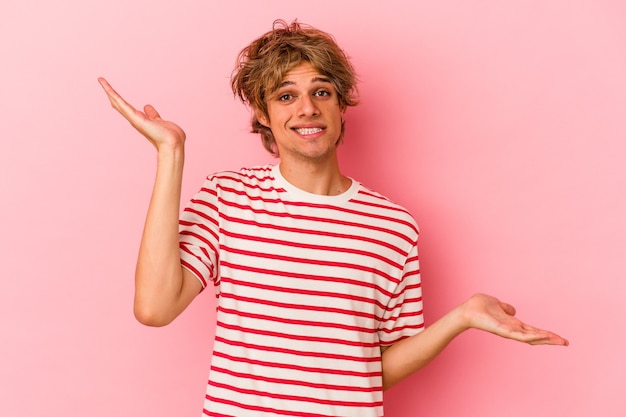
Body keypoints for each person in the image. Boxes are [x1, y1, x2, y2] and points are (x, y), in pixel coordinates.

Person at [98, 20, 568, 417]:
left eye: (321, 91)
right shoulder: (227, 197)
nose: (307, 108)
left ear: (341, 108)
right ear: (262, 114)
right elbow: (155, 308)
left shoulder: (393, 225)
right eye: (285, 96)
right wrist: (170, 153)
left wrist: (461, 317)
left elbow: (370, 369)